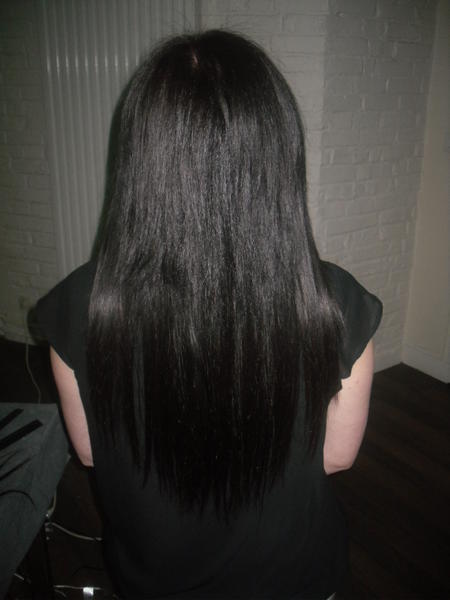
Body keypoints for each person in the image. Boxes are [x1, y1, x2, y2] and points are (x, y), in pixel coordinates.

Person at [36, 30, 382, 599]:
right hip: (293, 580)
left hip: (154, 580)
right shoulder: (334, 303)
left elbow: (93, 452)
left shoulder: (82, 304)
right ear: (278, 158)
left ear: (140, 160)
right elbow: (337, 457)